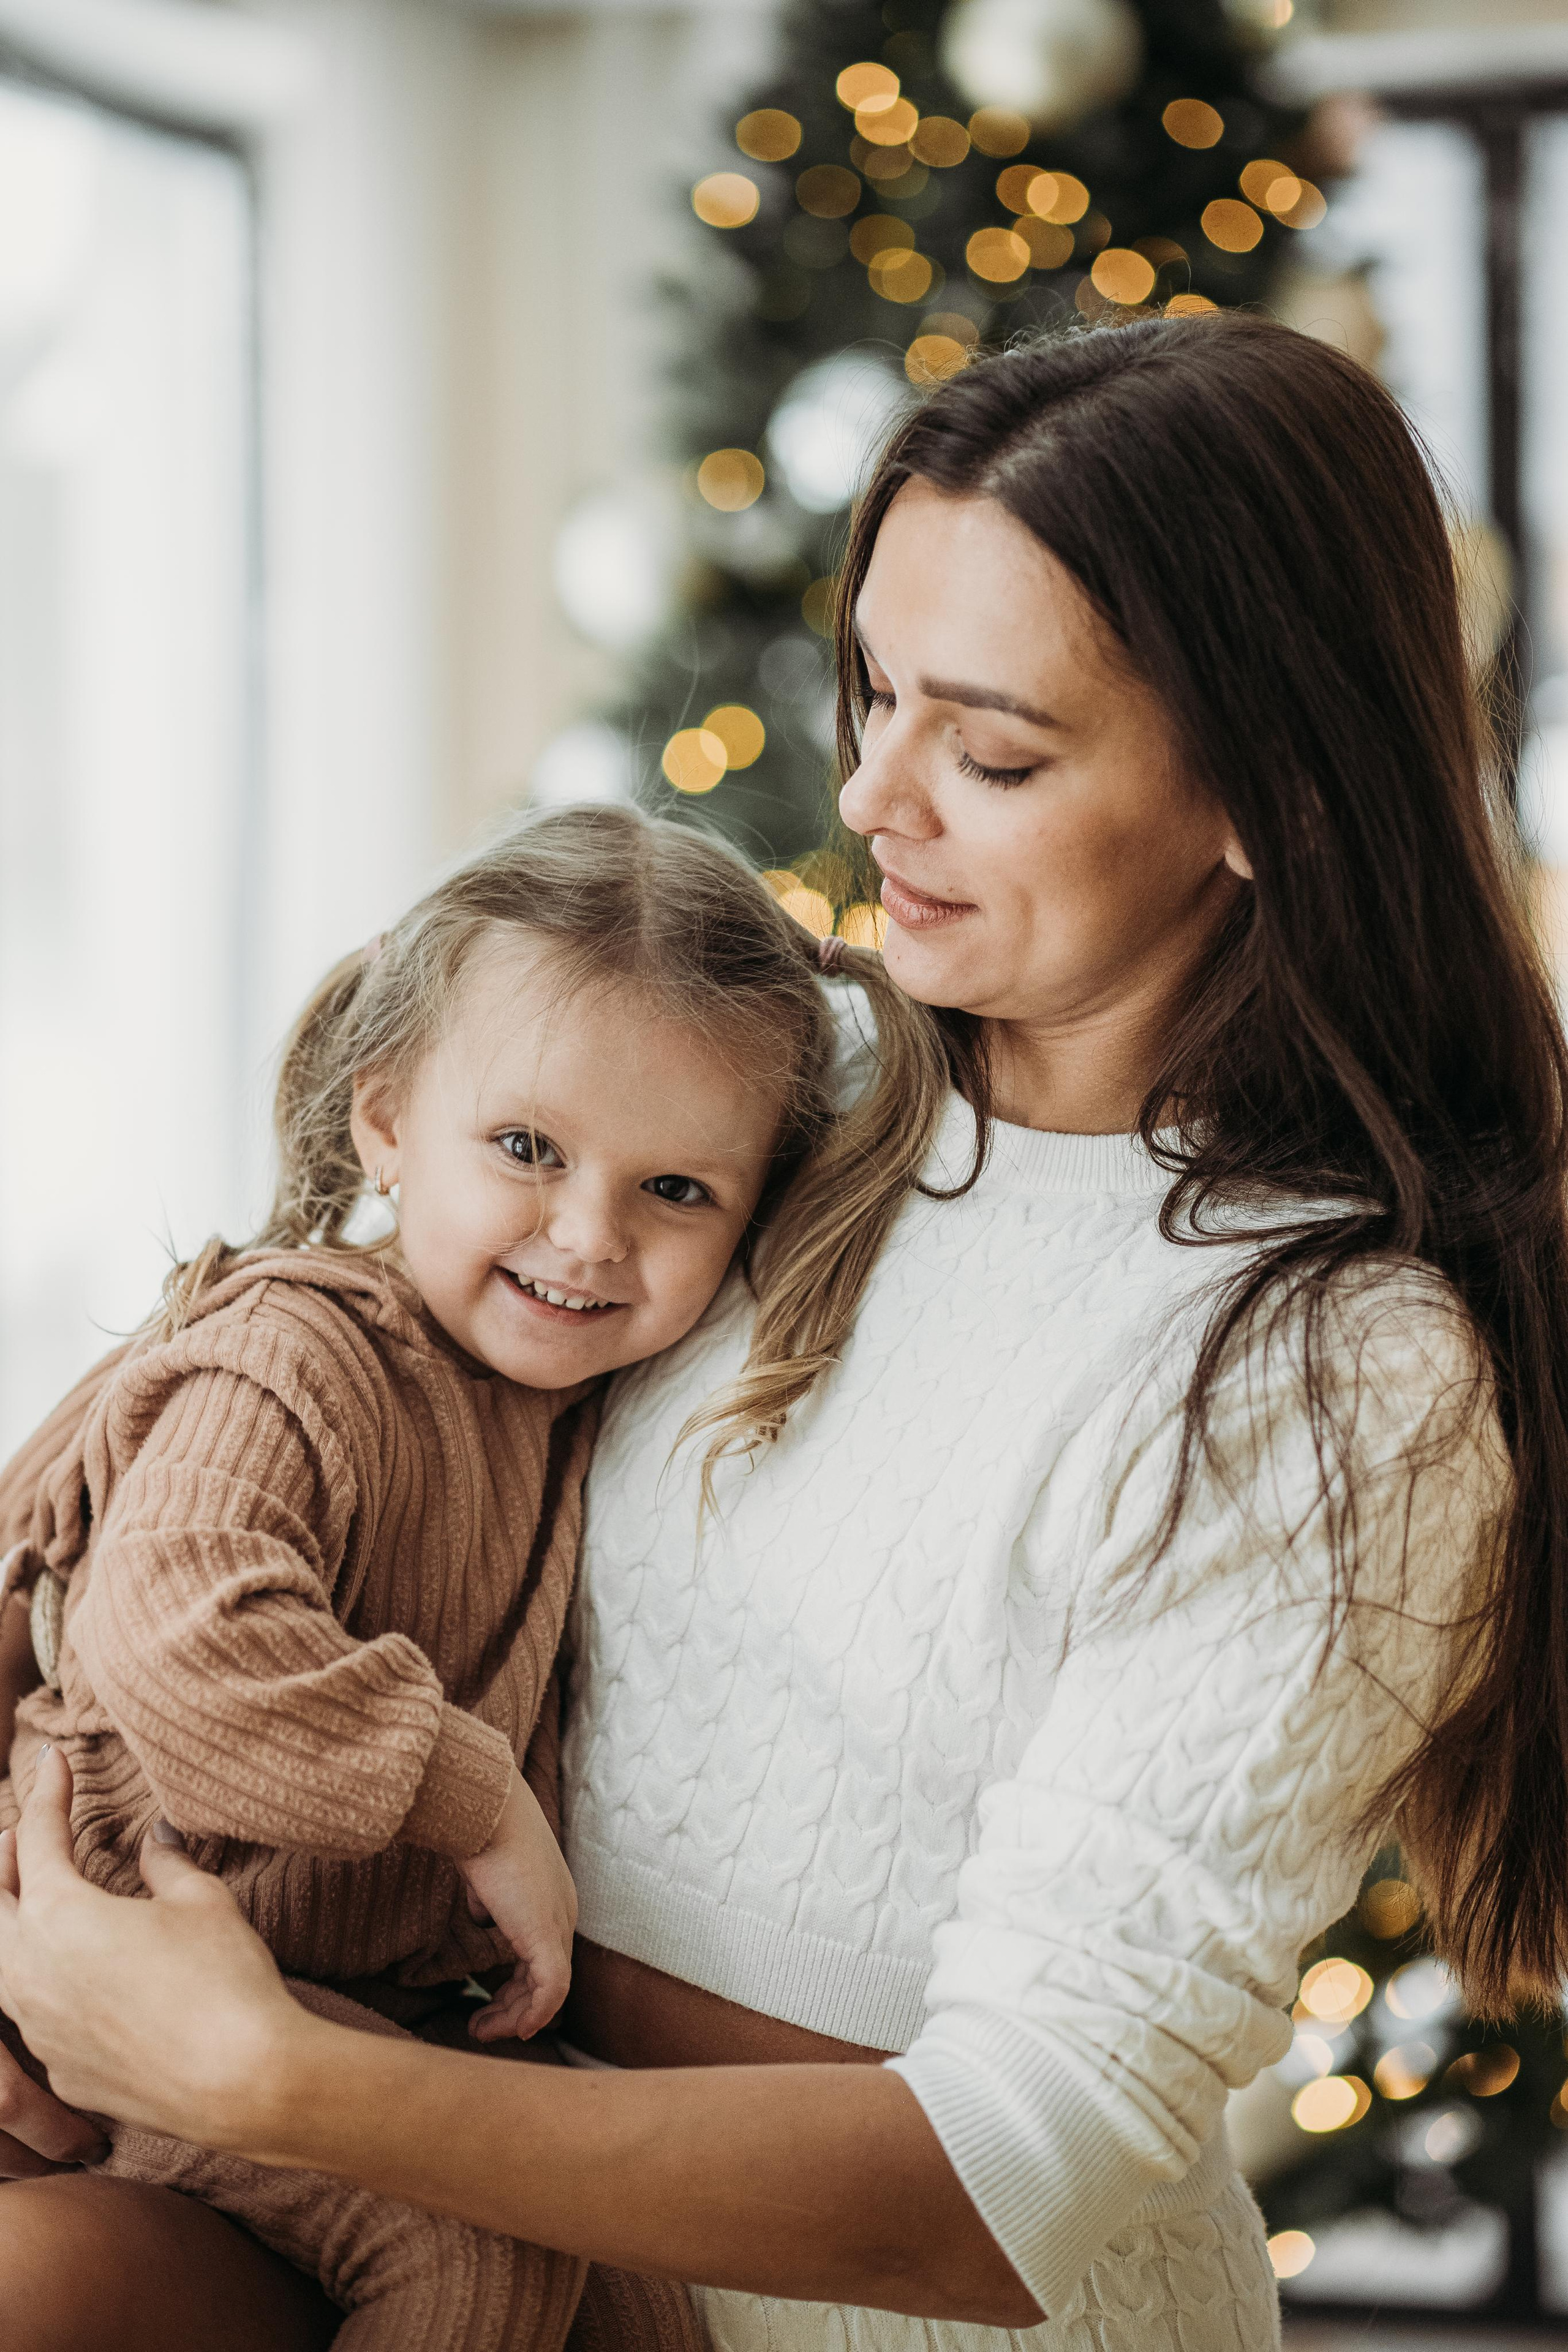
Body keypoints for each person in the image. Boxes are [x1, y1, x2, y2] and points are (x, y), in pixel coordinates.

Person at [4, 312, 1568, 2352]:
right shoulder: (779, 1111)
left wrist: (276, 2069)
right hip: (470, 2208)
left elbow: (1010, 2187)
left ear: (1263, 797)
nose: (871, 790)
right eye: (877, 691)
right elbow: (252, 1434)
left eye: (991, 750)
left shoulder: (1325, 1377)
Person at [0, 803, 940, 2350]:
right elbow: (177, 1636)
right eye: (525, 1149)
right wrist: (470, 1792)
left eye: (677, 1193)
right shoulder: (297, 1352)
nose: (588, 1234)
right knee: (477, 2266)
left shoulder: (571, 1408)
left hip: (356, 2008)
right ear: (385, 1121)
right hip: (145, 1965)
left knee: (638, 2291)